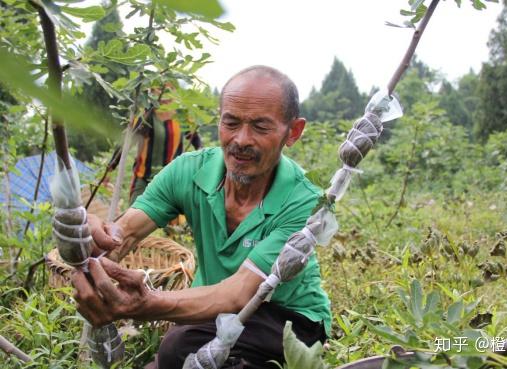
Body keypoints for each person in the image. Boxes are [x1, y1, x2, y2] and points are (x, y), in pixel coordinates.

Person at [72, 66, 331, 369]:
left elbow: (240, 294)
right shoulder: (188, 171)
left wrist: (148, 305)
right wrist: (88, 240)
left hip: (289, 320)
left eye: (261, 127)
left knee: (178, 347)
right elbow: (123, 234)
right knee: (179, 353)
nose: (241, 139)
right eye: (231, 122)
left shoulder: (306, 202)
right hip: (211, 315)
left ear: (294, 132)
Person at [130, 83, 202, 205]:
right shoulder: (147, 115)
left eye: (170, 89)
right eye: (159, 88)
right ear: (153, 92)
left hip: (170, 181)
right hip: (143, 178)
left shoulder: (181, 115)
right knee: (133, 215)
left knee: (165, 221)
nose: (165, 93)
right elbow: (127, 143)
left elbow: (196, 141)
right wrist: (110, 168)